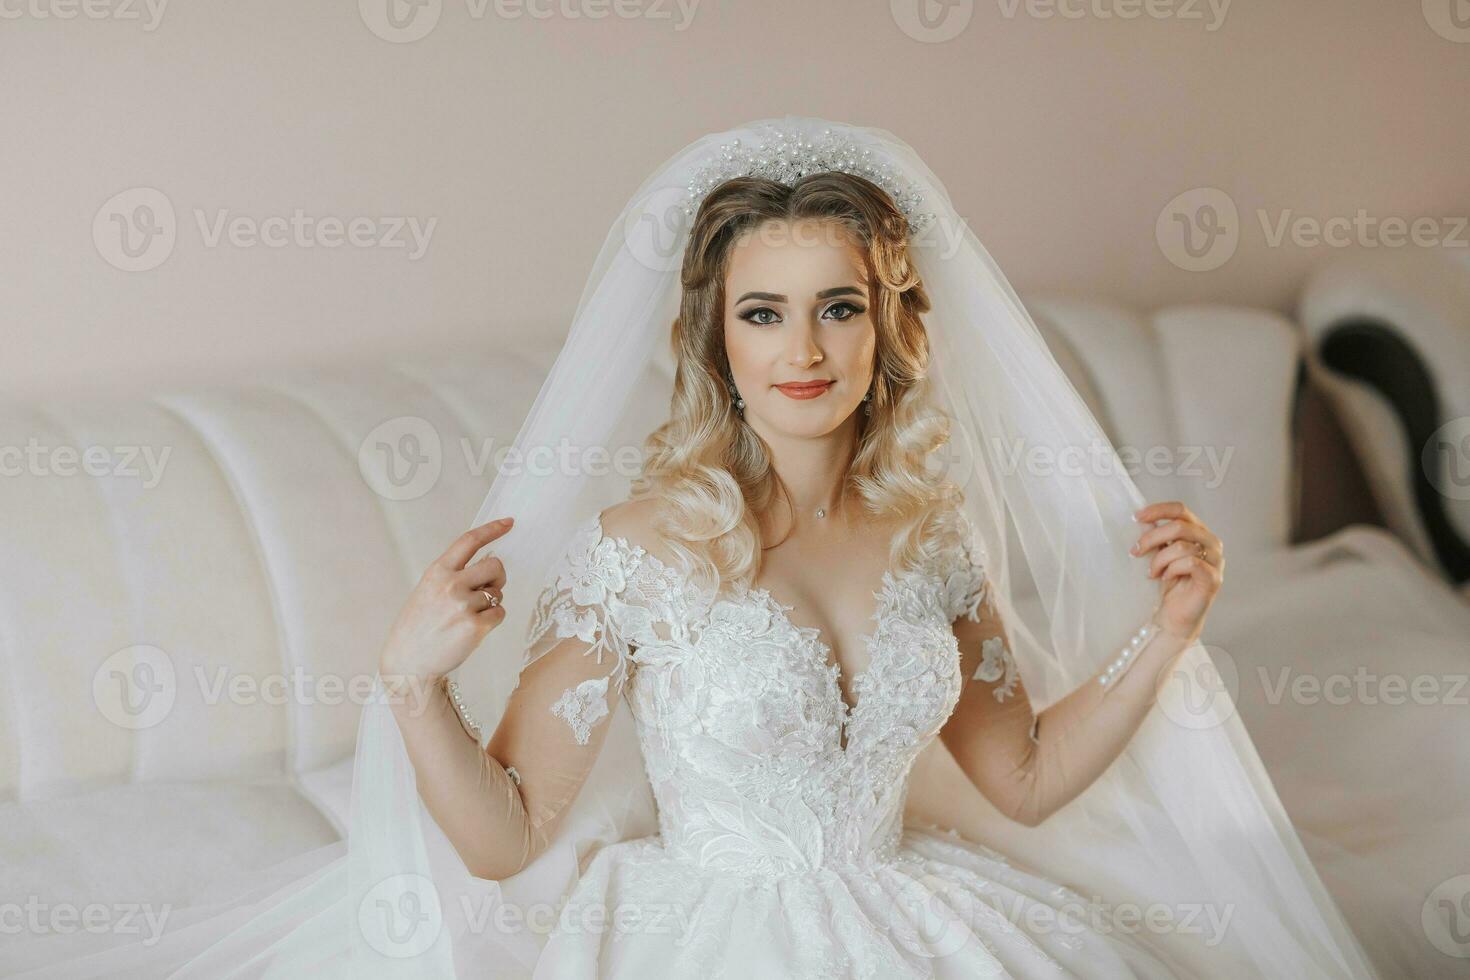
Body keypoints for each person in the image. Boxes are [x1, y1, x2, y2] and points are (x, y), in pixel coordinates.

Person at [1, 116, 1378, 979]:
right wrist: (413, 683)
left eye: (837, 307)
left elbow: (1018, 780)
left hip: (917, 917)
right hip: (710, 933)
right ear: (715, 337)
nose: (802, 349)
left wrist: (1165, 635)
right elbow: (507, 836)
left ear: (888, 328)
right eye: (761, 313)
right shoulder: (642, 548)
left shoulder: (929, 535)